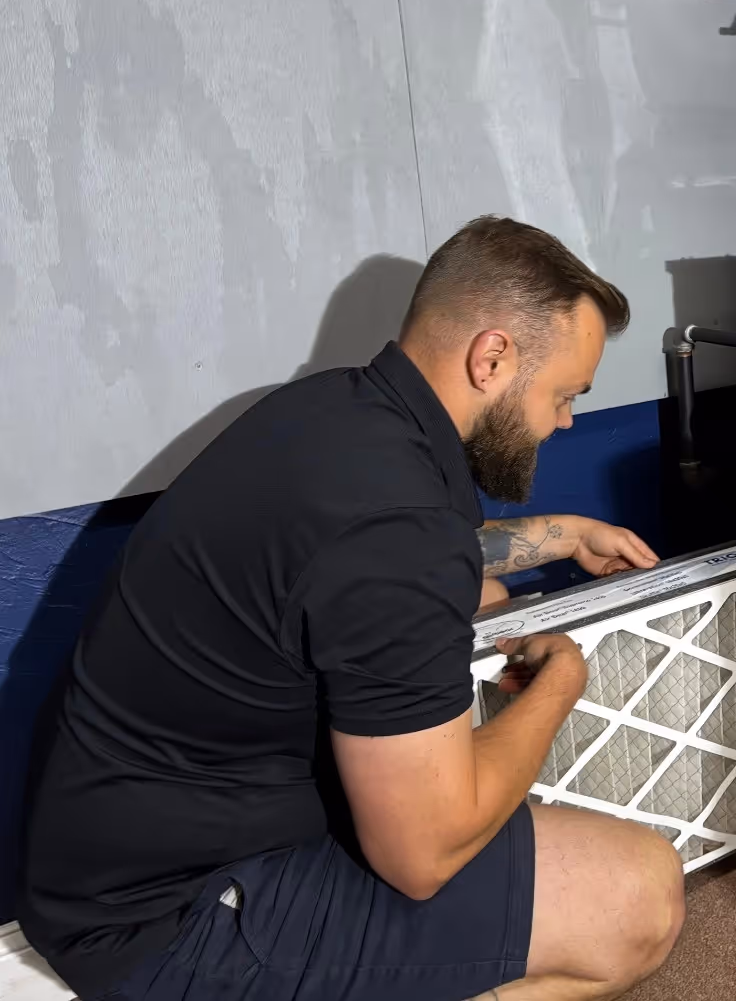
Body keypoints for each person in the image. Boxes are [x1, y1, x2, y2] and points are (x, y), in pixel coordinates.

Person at [21, 217, 684, 1001]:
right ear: (494, 356)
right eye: (564, 394)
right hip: (164, 919)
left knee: (493, 606)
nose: (564, 421)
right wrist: (559, 686)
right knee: (641, 893)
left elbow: (408, 568)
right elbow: (424, 855)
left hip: (112, 852)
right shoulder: (393, 528)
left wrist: (567, 534)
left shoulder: (339, 417)